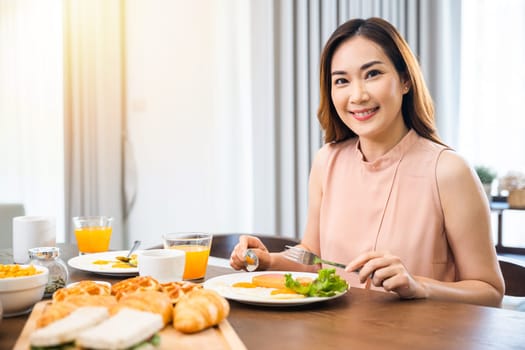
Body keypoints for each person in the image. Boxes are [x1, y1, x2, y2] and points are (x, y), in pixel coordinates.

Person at [230, 17, 504, 307]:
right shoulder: (327, 161)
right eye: (342, 81)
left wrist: (419, 285)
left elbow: (489, 291)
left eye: (372, 74)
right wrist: (267, 261)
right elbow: (314, 259)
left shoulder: (449, 171)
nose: (357, 95)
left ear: (405, 79)